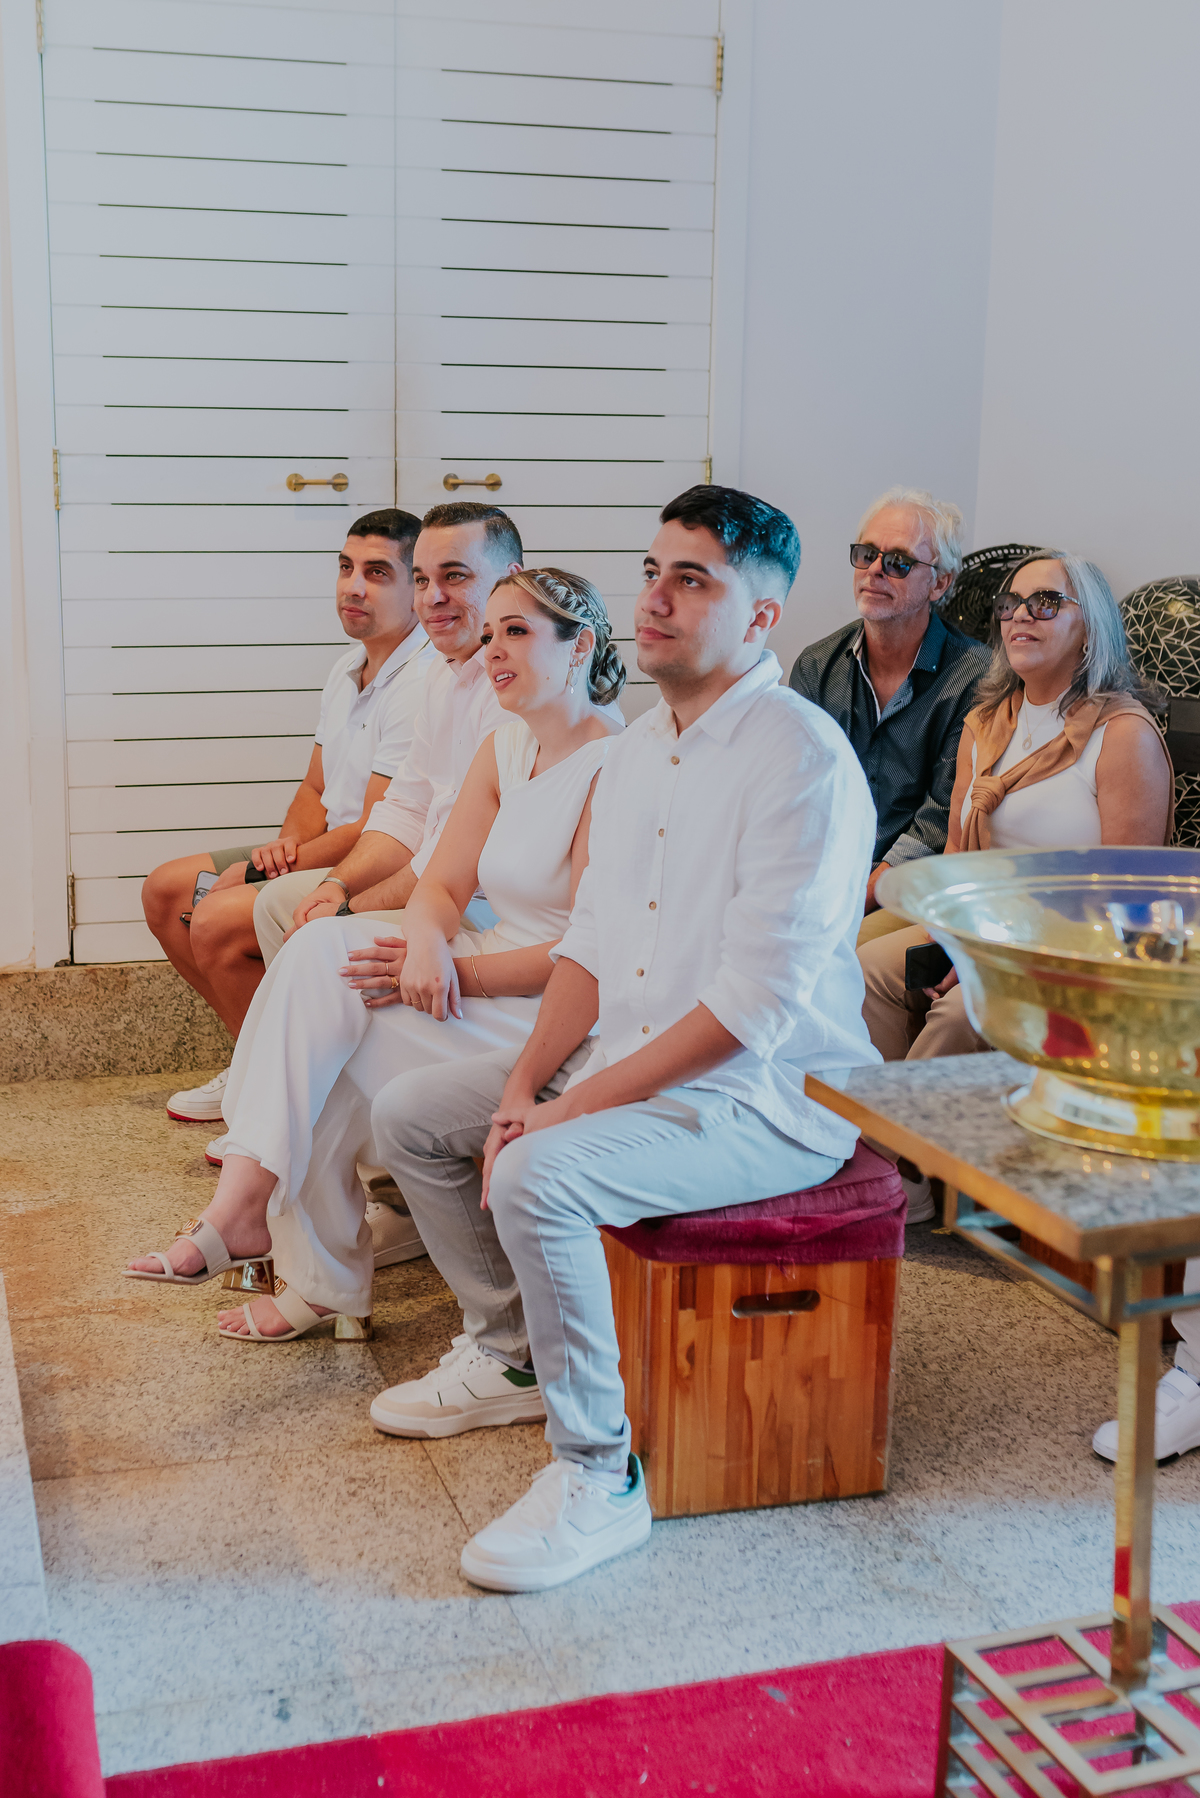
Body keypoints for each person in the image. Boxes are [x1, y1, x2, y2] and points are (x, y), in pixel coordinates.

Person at [362, 485, 881, 1594]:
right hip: (633, 1063)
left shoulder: (802, 760)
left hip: (767, 1101)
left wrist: (559, 1113)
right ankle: (508, 1350)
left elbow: (753, 1009)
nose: (656, 596)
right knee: (415, 1114)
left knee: (540, 1172)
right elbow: (590, 948)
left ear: (761, 617)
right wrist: (522, 1080)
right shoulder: (642, 749)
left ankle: (599, 1476)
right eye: (654, 570)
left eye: (693, 579)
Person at [123, 569, 626, 1353]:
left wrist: (451, 972)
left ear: (580, 646)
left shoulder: (614, 768)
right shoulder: (507, 746)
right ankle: (256, 1210)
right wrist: (424, 940)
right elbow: (442, 884)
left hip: (549, 1002)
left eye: (517, 632)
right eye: (490, 634)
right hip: (473, 963)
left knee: (332, 1028)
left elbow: (585, 954)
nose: (493, 649)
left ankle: (299, 1259)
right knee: (322, 967)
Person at [145, 510, 433, 1124]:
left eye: (378, 573)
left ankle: (276, 1096)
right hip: (326, 845)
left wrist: (277, 873)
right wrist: (278, 852)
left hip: (374, 858)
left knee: (218, 919)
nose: (353, 586)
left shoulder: (422, 678)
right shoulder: (346, 668)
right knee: (168, 891)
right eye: (346, 568)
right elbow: (314, 786)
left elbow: (385, 821)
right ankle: (249, 1063)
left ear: (419, 586)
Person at [859, 550, 1173, 1070]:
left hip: (1072, 942)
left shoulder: (1121, 736)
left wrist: (994, 949)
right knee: (866, 968)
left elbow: (1126, 899)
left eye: (1046, 602)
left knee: (962, 1012)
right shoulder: (985, 723)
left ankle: (916, 1145)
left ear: (1091, 628)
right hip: (985, 924)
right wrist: (956, 935)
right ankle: (879, 1130)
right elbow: (958, 854)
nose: (1021, 614)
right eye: (1011, 604)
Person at [250, 501, 523, 962]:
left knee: (309, 940)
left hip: (487, 909)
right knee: (276, 906)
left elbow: (454, 860)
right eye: (421, 579)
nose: (431, 597)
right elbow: (405, 809)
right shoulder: (444, 673)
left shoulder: (517, 689)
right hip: (437, 883)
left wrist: (348, 907)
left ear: (510, 578)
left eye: (454, 576)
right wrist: (337, 884)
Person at [789, 488, 989, 946]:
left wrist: (860, 894)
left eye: (899, 561)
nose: (875, 570)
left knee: (839, 959)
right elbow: (796, 793)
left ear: (940, 583)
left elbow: (942, 817)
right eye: (866, 554)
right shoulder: (816, 666)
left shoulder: (977, 677)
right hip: (822, 877)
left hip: (916, 887)